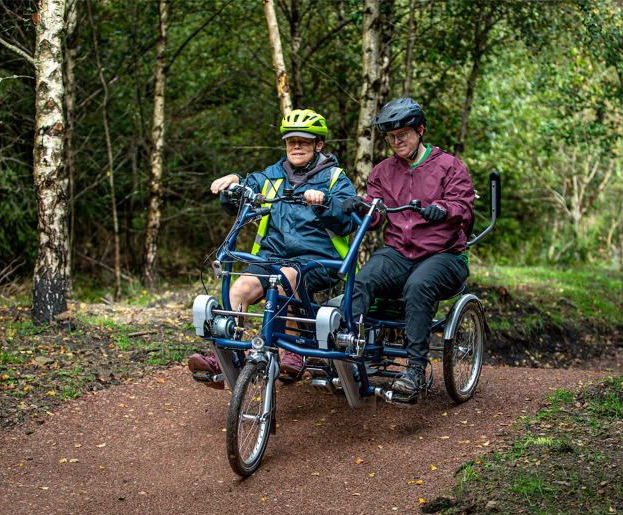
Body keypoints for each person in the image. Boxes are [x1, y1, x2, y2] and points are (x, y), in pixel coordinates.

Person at [189, 109, 358, 387]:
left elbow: (348, 221)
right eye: (291, 141)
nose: (297, 146)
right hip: (272, 256)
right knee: (239, 289)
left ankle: (292, 350)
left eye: (304, 141)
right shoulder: (271, 176)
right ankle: (226, 357)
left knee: (284, 279)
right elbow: (244, 193)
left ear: (319, 145)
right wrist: (233, 183)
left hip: (319, 261)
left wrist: (324, 203)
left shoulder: (335, 178)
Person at [341, 97, 474, 395]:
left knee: (418, 285)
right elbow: (375, 217)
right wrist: (358, 207)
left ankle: (414, 368)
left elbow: (464, 208)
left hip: (445, 255)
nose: (396, 142)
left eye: (403, 134)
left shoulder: (449, 166)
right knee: (361, 279)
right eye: (391, 137)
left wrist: (444, 209)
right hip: (400, 252)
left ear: (420, 130)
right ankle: (347, 351)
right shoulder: (383, 172)